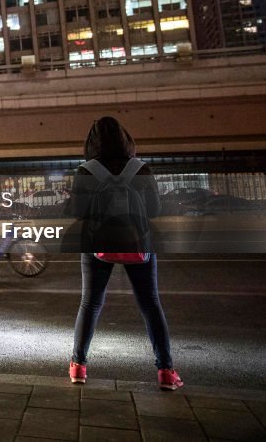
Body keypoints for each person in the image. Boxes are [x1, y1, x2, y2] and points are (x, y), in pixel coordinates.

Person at [66, 116, 183, 391]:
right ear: (125, 139)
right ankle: (166, 371)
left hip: (97, 245)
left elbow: (77, 212)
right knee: (150, 304)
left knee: (90, 304)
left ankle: (78, 367)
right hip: (138, 243)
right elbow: (154, 211)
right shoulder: (140, 169)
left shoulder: (86, 170)